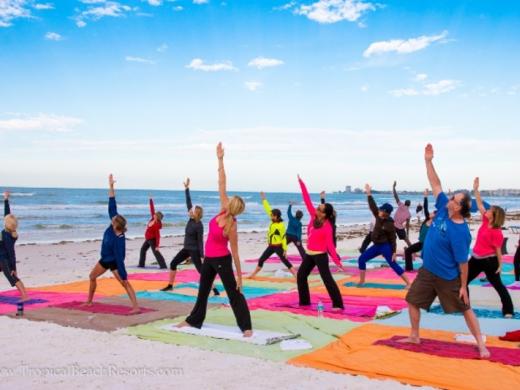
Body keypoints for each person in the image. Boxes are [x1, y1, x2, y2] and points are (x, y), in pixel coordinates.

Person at [402, 144, 489, 358]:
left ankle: (481, 344)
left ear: (459, 207)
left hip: (448, 277)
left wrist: (463, 286)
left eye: (453, 199)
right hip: (427, 271)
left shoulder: (460, 232)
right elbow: (436, 183)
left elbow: (463, 263)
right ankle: (414, 335)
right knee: (412, 300)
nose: (449, 198)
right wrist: (428, 161)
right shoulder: (443, 207)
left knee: (465, 308)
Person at [178, 143, 252, 336]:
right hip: (209, 260)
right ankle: (193, 321)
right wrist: (220, 159)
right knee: (203, 292)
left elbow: (235, 253)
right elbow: (222, 183)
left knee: (234, 293)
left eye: (230, 202)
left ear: (233, 207)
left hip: (222, 262)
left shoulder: (232, 226)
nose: (226, 201)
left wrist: (240, 278)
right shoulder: (222, 208)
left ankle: (246, 327)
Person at [85, 175, 139, 313]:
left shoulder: (119, 240)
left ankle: (136, 307)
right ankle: (89, 301)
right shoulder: (112, 225)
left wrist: (123, 274)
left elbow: (120, 259)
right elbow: (112, 204)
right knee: (92, 277)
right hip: (104, 259)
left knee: (124, 283)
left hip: (115, 262)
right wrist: (111, 186)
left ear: (117, 226)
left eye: (113, 220)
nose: (111, 219)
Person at [161, 178, 219, 296]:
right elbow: (188, 202)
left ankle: (214, 289)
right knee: (173, 263)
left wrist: (202, 256)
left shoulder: (199, 225)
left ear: (195, 213)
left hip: (195, 251)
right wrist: (187, 189)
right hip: (186, 248)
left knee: (202, 271)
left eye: (191, 210)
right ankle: (170, 285)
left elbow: (200, 242)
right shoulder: (190, 219)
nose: (189, 210)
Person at [466, 177, 513, 317]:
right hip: (475, 259)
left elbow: (498, 251)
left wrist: (500, 266)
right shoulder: (486, 220)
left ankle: (508, 310)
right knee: (462, 282)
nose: (486, 210)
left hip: (489, 262)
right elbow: (480, 204)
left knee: (498, 286)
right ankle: (465, 307)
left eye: (489, 210)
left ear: (494, 215)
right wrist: (475, 190)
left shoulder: (497, 232)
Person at [297, 175, 345, 309]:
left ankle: (338, 304)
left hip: (320, 256)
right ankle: (304, 302)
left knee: (327, 279)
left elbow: (330, 246)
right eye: (317, 207)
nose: (316, 209)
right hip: (309, 254)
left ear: (324, 214)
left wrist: (337, 261)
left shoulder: (327, 227)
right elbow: (307, 200)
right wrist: (302, 183)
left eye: (319, 209)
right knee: (301, 275)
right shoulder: (314, 216)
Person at [357, 184, 411, 287]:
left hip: (385, 247)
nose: (379, 211)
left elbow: (393, 239)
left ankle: (408, 283)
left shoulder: (390, 224)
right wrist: (369, 193)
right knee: (361, 259)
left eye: (381, 210)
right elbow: (372, 205)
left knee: (393, 264)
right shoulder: (378, 216)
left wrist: (394, 252)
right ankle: (362, 281)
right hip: (376, 246)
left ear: (386, 213)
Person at [247, 192, 296, 279]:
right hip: (271, 246)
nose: (271, 217)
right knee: (261, 259)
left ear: (276, 216)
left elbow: (284, 238)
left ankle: (296, 276)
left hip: (278, 247)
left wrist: (285, 250)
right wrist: (263, 198)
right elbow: (267, 208)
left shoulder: (281, 226)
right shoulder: (273, 221)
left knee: (285, 261)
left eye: (272, 216)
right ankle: (253, 275)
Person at [0, 192, 29, 301]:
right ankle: (25, 295)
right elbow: (7, 215)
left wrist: (13, 268)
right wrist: (6, 199)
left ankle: (25, 297)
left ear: (6, 224)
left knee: (12, 277)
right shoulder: (10, 231)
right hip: (1, 259)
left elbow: (11, 253)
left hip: (4, 260)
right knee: (12, 277)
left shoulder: (5, 235)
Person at [404, 189, 436, 271]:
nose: (430, 213)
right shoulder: (427, 219)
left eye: (433, 213)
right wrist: (425, 197)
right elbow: (425, 208)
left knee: (427, 257)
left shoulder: (435, 224)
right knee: (408, 251)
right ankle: (409, 269)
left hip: (428, 244)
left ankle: (432, 270)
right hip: (421, 243)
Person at [138, 197, 166, 269]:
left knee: (156, 252)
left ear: (157, 217)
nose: (154, 214)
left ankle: (163, 266)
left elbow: (158, 235)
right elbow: (152, 209)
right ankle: (141, 265)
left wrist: (157, 246)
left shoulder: (156, 225)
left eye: (155, 214)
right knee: (143, 250)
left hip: (152, 240)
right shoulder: (153, 219)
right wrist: (150, 200)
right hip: (148, 239)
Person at [392, 181, 412, 246]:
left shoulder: (401, 205)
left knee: (391, 239)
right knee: (407, 240)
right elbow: (407, 225)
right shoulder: (409, 214)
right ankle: (412, 250)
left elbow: (396, 196)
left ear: (404, 203)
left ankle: (392, 251)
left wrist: (393, 187)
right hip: (399, 227)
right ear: (409, 205)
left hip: (393, 224)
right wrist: (407, 233)